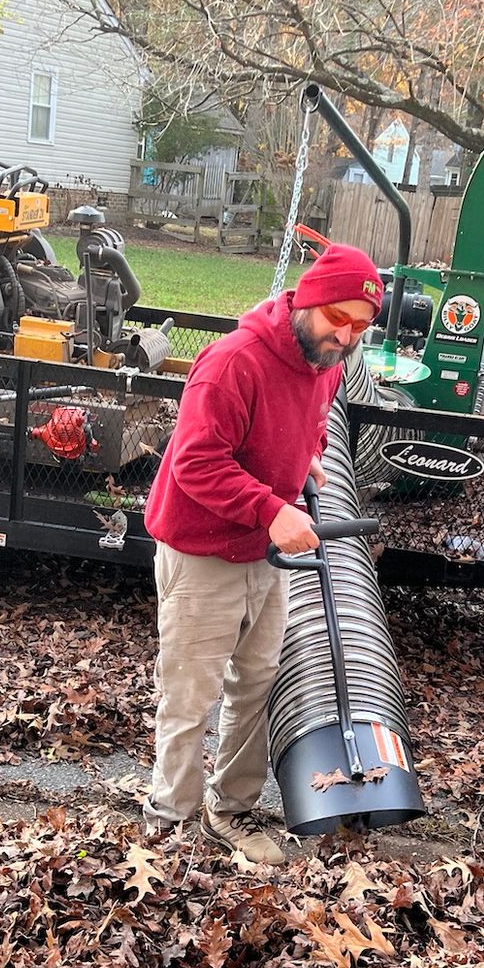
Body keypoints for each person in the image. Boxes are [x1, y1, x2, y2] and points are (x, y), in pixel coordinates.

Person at [141, 242, 385, 865]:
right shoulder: (234, 363)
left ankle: (230, 809)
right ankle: (168, 821)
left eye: (360, 326)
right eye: (339, 319)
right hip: (203, 550)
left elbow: (310, 414)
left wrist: (304, 454)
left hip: (264, 554)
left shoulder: (325, 361)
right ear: (308, 299)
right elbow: (196, 462)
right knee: (191, 693)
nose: (347, 336)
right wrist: (274, 510)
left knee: (256, 683)